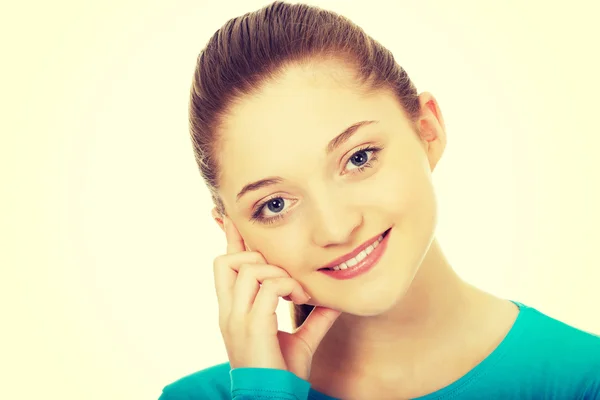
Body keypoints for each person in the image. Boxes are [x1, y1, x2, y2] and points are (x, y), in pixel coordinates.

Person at [159, 1, 600, 399]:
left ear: (427, 130)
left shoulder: (583, 378)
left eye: (359, 158)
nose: (335, 228)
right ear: (233, 232)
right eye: (275, 205)